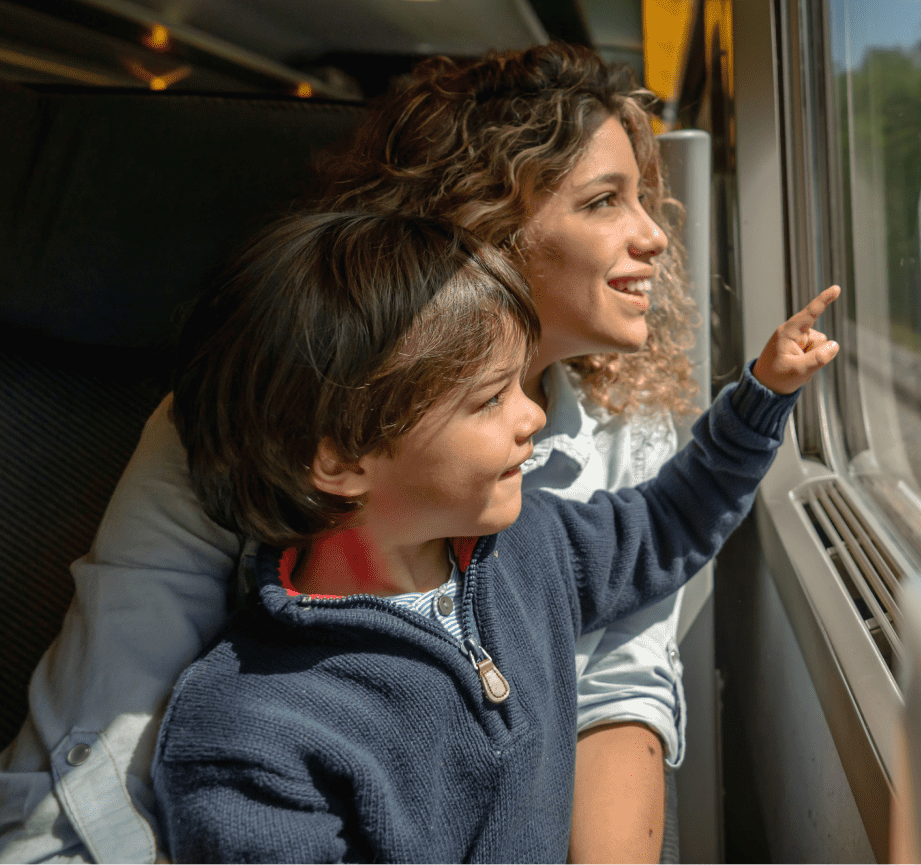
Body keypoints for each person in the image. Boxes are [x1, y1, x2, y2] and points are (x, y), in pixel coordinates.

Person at [0, 45, 704, 865]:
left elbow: (618, 690)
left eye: (645, 198)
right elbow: (103, 735)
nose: (655, 234)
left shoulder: (633, 435)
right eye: (604, 201)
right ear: (489, 221)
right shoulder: (262, 417)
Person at [149, 210, 839, 863]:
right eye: (490, 399)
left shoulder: (531, 550)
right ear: (340, 461)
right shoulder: (249, 736)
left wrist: (759, 400)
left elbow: (666, 523)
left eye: (521, 383)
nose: (533, 415)